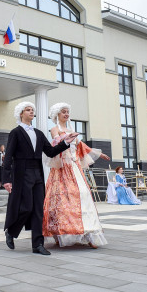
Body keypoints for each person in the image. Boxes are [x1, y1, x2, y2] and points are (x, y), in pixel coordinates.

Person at [3, 102, 78, 255]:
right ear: (21, 113)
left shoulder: (38, 133)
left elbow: (50, 151)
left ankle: (37, 244)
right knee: (26, 207)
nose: (31, 112)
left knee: (39, 210)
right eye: (28, 110)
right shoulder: (15, 132)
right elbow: (8, 156)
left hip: (37, 173)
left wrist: (65, 143)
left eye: (33, 110)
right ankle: (11, 231)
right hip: (22, 173)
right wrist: (6, 179)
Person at [43, 103, 109, 249]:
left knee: (83, 194)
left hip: (75, 167)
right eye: (63, 112)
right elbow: (56, 144)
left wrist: (98, 153)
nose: (66, 114)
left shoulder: (72, 129)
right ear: (57, 115)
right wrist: (66, 138)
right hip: (62, 168)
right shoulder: (55, 129)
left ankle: (89, 232)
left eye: (67, 112)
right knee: (62, 197)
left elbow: (81, 146)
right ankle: (60, 233)